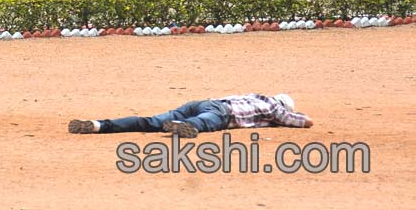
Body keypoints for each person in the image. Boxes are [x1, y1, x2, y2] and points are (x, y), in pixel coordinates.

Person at [68, 93, 313, 138]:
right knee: (204, 124)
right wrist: (292, 114)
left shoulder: (255, 95)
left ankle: (99, 125)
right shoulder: (273, 107)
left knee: (150, 121)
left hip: (203, 101)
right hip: (221, 112)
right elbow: (302, 122)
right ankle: (179, 126)